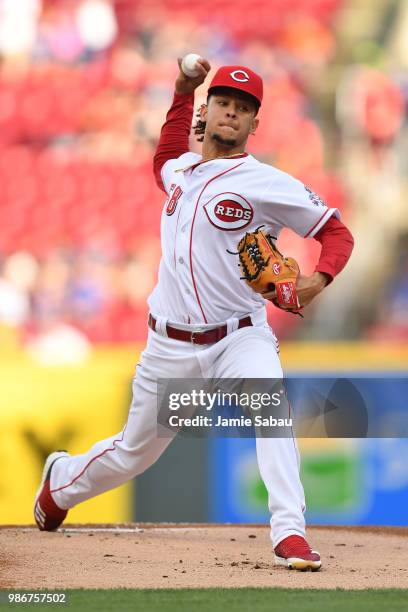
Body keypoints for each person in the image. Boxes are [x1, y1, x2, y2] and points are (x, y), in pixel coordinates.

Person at [34, 58, 354, 571]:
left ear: (255, 124)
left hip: (239, 338)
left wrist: (317, 281)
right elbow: (163, 153)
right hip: (170, 347)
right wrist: (182, 92)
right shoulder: (180, 170)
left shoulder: (266, 182)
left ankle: (289, 533)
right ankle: (62, 483)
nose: (232, 113)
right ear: (210, 111)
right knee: (134, 452)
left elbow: (336, 232)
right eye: (224, 102)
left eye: (243, 108)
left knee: (271, 414)